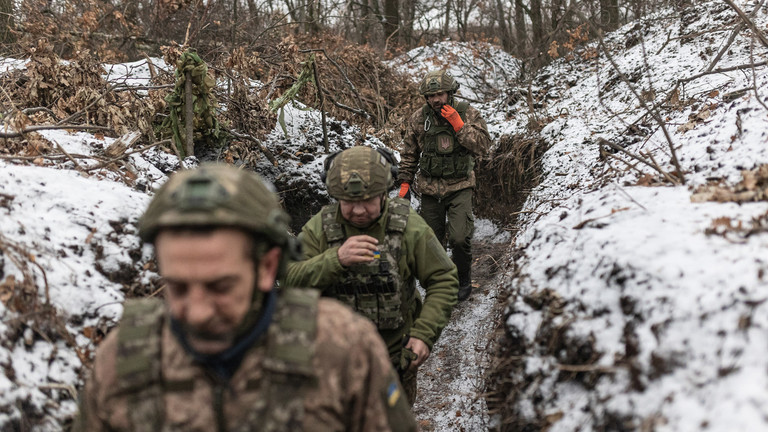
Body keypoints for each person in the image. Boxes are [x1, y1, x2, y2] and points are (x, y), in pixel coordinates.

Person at [74, 164, 417, 432]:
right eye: (177, 287)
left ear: (267, 268)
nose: (196, 312)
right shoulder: (123, 361)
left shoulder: (341, 349)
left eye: (220, 287)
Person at [285, 145, 458, 406]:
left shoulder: (409, 227)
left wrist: (423, 334)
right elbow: (289, 279)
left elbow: (443, 279)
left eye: (367, 201)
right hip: (332, 360)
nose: (358, 211)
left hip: (393, 359)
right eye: (349, 202)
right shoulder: (319, 229)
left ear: (384, 195)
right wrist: (336, 259)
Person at [397, 70, 492, 302]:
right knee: (431, 241)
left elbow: (483, 147)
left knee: (460, 238)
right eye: (430, 96)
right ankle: (439, 284)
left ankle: (463, 278)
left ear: (450, 93)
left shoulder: (467, 113)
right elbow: (409, 152)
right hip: (430, 188)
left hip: (460, 185)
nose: (436, 99)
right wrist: (404, 183)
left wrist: (460, 126)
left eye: (439, 94)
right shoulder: (419, 118)